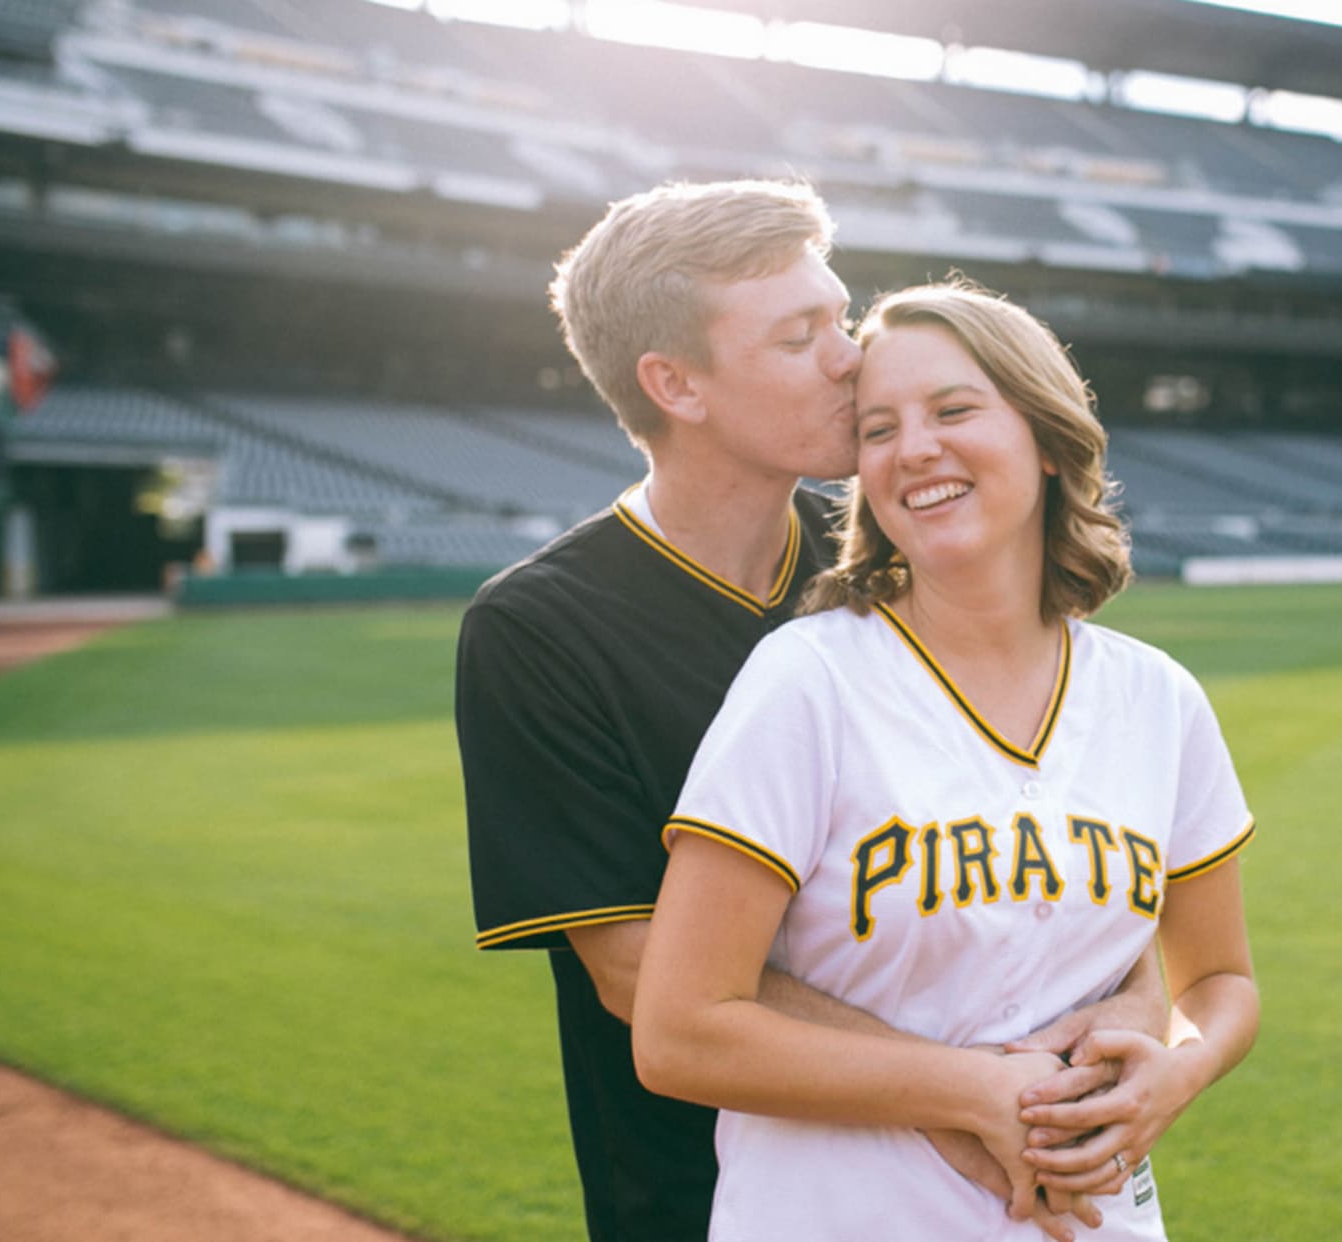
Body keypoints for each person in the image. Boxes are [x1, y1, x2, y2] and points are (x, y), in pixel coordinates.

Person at [457, 184, 1173, 1242]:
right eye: (802, 336)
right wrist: (970, 1091)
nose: (851, 356)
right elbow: (641, 974)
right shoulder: (540, 629)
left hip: (989, 1198)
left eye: (840, 316)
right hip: (710, 1201)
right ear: (675, 384)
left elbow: (1061, 833)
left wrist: (1133, 1006)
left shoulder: (896, 545)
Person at [632, 281, 1261, 1240]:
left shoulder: (1157, 698)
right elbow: (681, 1031)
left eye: (955, 410)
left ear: (1048, 440)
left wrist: (1175, 1067)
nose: (914, 448)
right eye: (877, 430)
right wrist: (970, 1090)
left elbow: (1221, 982)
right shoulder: (808, 681)